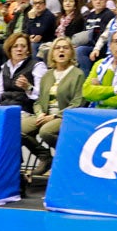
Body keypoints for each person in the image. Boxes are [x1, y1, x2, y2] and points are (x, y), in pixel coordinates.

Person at [0, 32, 50, 160]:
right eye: (15, 46)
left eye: (23, 46)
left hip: (25, 110)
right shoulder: (4, 66)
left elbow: (42, 95)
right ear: (9, 49)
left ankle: (40, 156)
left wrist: (28, 87)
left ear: (28, 50)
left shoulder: (37, 66)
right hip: (4, 108)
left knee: (7, 129)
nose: (19, 49)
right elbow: (0, 94)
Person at [32, 38, 86, 174]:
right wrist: (40, 114)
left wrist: (54, 116)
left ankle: (68, 156)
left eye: (65, 48)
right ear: (52, 53)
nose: (61, 50)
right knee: (17, 128)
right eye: (57, 48)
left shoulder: (77, 74)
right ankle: (44, 156)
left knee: (45, 131)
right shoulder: (47, 75)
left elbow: (78, 103)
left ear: (71, 53)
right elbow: (38, 101)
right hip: (44, 115)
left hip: (64, 116)